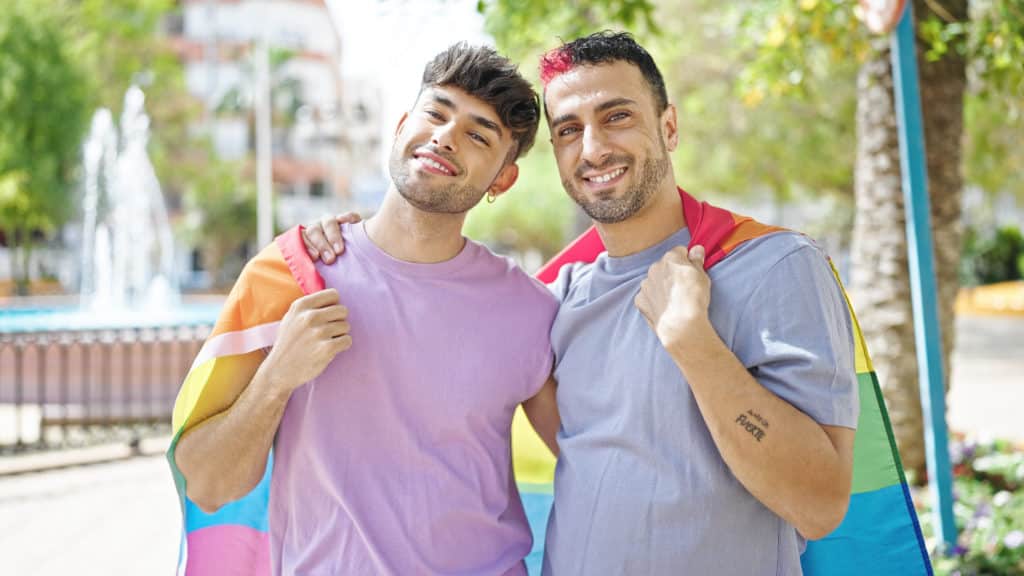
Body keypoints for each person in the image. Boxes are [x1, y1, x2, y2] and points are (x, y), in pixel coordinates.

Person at [305, 32, 859, 575]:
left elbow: (819, 505)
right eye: (569, 130)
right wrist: (354, 247)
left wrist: (695, 346)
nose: (593, 149)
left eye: (617, 116)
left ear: (669, 127)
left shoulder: (773, 264)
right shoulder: (556, 301)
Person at [170, 43, 561, 576]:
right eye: (436, 113)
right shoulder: (290, 273)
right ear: (401, 126)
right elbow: (209, 486)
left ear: (502, 179)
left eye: (477, 134)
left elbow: (594, 462)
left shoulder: (530, 312)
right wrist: (277, 377)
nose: (446, 136)